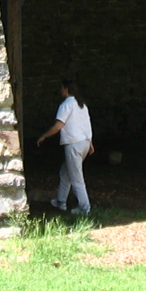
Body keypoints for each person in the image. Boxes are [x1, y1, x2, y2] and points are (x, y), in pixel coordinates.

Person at [37, 79, 94, 216]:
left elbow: (58, 126)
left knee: (76, 178)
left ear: (66, 89)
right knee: (65, 173)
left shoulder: (66, 105)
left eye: (62, 88)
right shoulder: (81, 105)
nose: (60, 91)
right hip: (84, 142)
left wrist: (44, 136)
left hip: (74, 144)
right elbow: (86, 125)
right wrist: (90, 143)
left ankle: (85, 208)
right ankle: (60, 201)